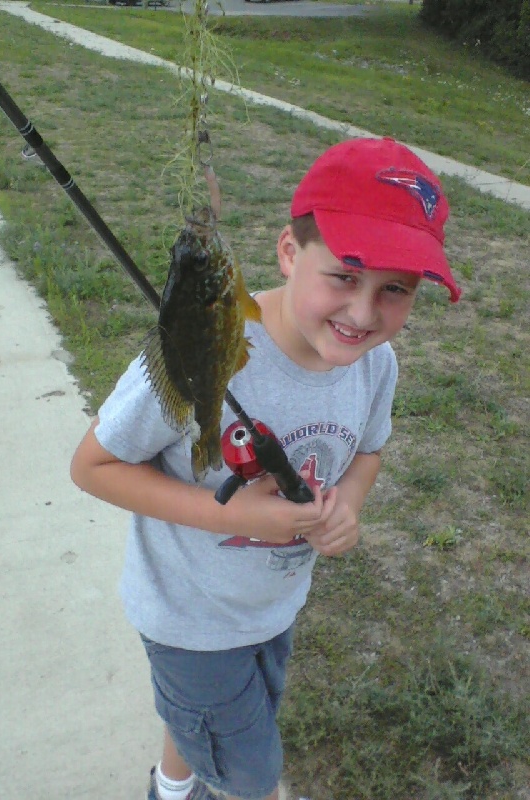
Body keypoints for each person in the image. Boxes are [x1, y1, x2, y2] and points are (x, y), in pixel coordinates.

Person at [70, 136, 461, 800]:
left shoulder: (376, 365)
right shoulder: (197, 336)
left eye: (394, 290)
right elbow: (93, 465)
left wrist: (350, 505)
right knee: (249, 772)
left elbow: (367, 450)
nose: (363, 313)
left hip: (271, 606)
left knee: (207, 726)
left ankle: (170, 787)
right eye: (344, 275)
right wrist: (236, 512)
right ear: (288, 251)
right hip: (188, 616)